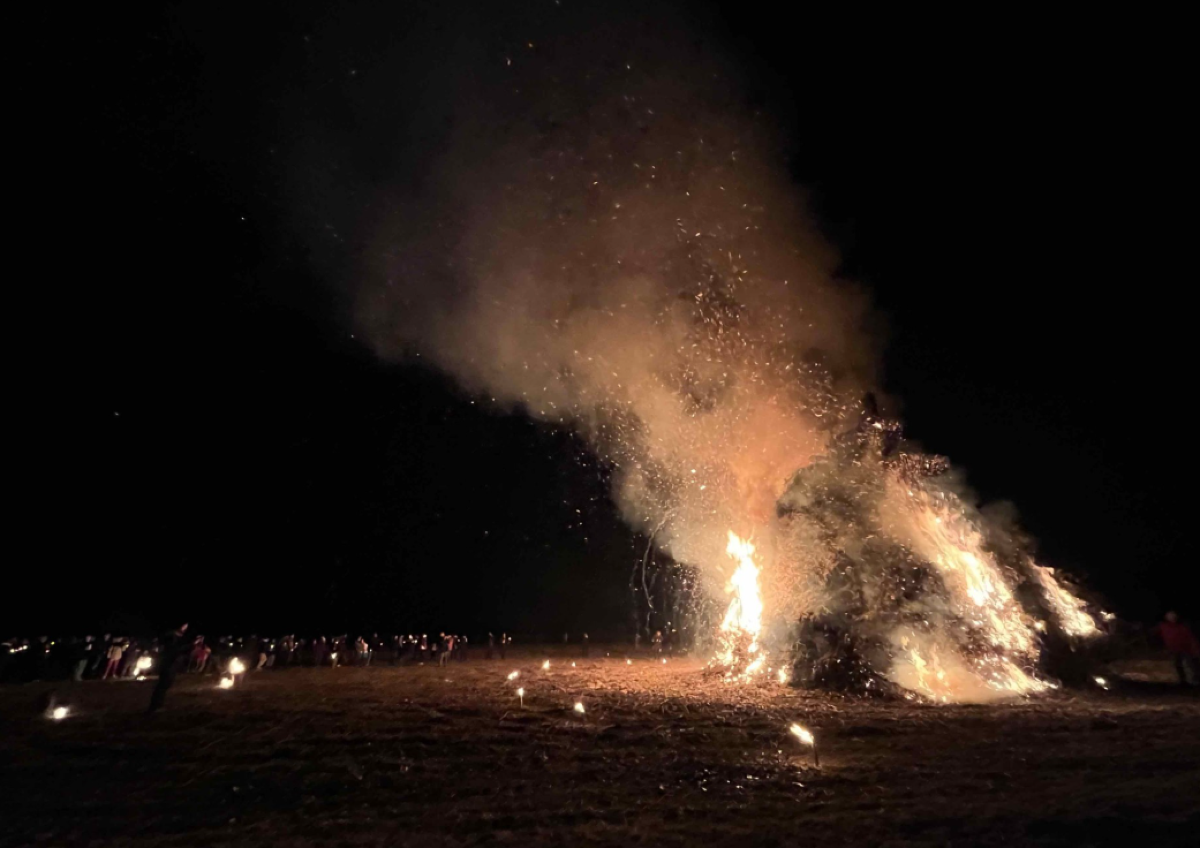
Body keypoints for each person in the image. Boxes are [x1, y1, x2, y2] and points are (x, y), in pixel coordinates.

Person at [148, 623, 189, 713]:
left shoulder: (178, 636)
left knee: (166, 684)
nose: (185, 628)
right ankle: (154, 706)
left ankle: (158, 705)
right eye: (184, 625)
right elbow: (173, 649)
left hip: (173, 662)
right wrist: (189, 646)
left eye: (186, 626)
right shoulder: (171, 636)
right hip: (168, 662)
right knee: (162, 684)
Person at [1153, 611, 1200, 686]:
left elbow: (1190, 637)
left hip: (1185, 648)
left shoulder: (1182, 626)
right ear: (1166, 618)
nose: (1172, 618)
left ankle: (1195, 680)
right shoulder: (1163, 626)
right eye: (1170, 616)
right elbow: (1154, 632)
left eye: (1173, 616)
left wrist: (1194, 647)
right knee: (1178, 665)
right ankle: (1183, 681)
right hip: (1174, 649)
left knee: (1191, 664)